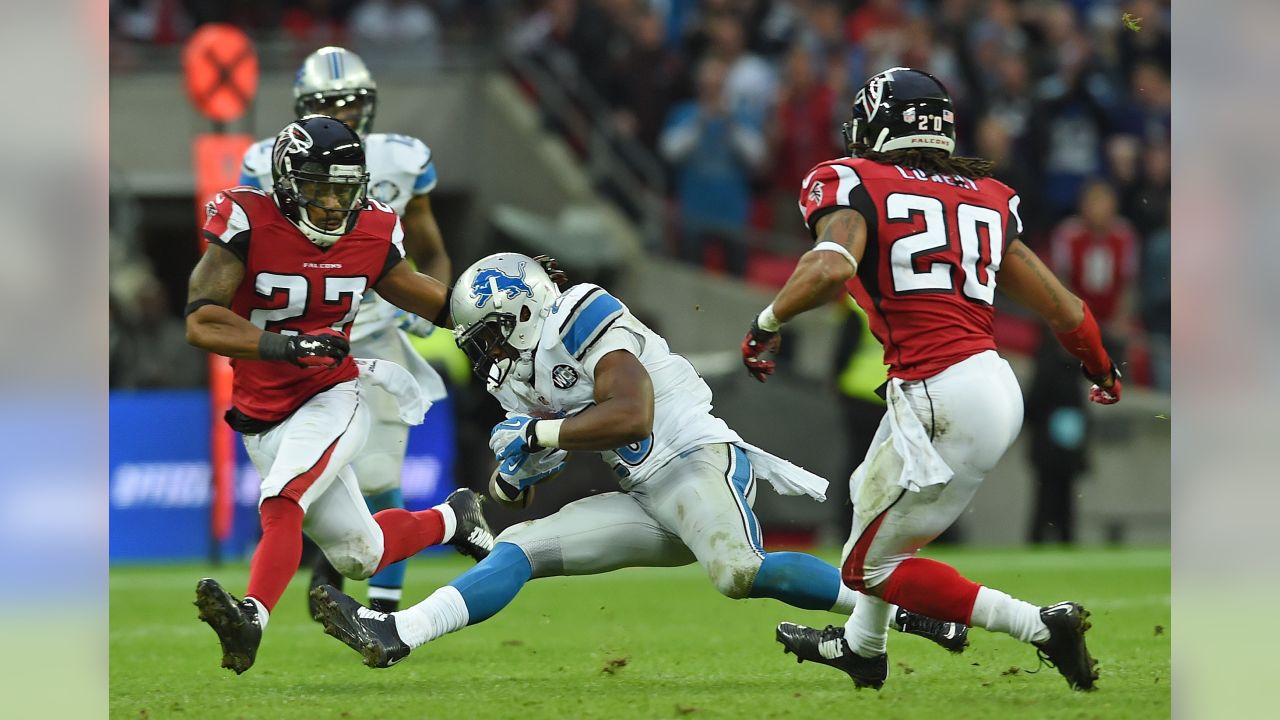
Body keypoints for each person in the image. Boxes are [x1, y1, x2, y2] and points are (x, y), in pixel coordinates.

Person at [307, 252, 969, 669]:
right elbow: (516, 488)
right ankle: (396, 631)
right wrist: (514, 473)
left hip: (696, 460)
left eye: (487, 337)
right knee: (517, 546)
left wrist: (544, 437)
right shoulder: (517, 373)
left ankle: (904, 610)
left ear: (522, 313)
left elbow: (632, 413)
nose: (484, 357)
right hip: (643, 495)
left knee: (737, 572)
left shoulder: (582, 313)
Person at [738, 68, 1121, 691]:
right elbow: (1063, 308)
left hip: (939, 393)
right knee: (870, 495)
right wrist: (1100, 364)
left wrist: (767, 319)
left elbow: (832, 265)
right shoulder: (988, 196)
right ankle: (863, 648)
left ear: (879, 125)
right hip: (989, 382)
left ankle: (1039, 625)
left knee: (868, 566)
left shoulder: (853, 179)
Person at [187, 115, 494, 675]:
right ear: (284, 182)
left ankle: (251, 618)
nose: (331, 203)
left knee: (284, 497)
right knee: (361, 554)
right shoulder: (246, 220)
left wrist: (494, 317)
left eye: (343, 188)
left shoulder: (372, 229)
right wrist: (287, 345)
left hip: (330, 394)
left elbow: (426, 298)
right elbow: (202, 321)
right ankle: (455, 517)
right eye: (316, 186)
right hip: (262, 410)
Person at [239, 46, 452, 615]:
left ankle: (384, 611)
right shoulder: (265, 163)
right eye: (329, 105)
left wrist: (431, 303)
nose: (346, 114)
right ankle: (349, 559)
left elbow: (430, 250)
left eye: (354, 103)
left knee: (381, 474)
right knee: (309, 491)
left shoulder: (403, 161)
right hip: (293, 351)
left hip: (374, 337)